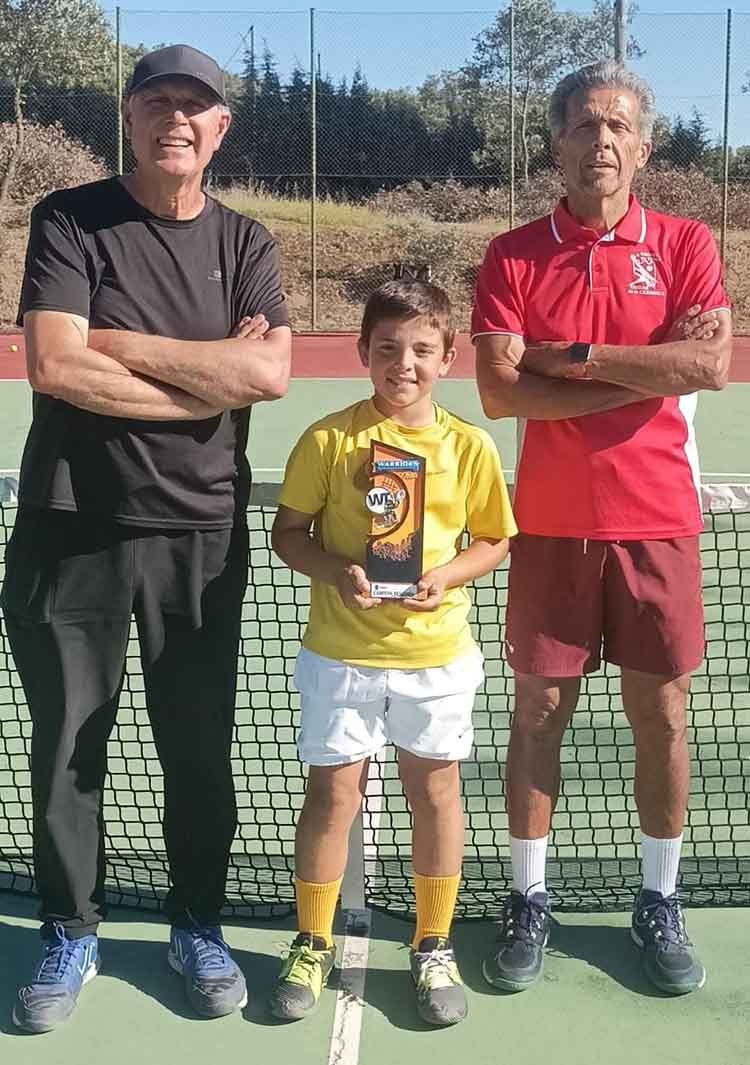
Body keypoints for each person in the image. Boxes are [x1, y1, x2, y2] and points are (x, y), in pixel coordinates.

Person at [1, 44, 291, 1033]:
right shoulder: (70, 219)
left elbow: (267, 379)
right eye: (157, 102)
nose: (176, 118)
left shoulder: (247, 242)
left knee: (200, 748)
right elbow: (56, 366)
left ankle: (196, 923)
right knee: (68, 747)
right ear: (127, 118)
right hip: (70, 529)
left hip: (201, 537)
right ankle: (71, 928)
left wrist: (122, 345)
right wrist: (203, 377)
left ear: (221, 129)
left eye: (195, 106)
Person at [472, 59, 732, 997]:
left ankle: (657, 898)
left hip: (660, 522)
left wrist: (575, 361)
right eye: (584, 125)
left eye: (619, 125)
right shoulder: (511, 256)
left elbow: (707, 364)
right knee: (539, 713)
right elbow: (503, 392)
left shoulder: (689, 242)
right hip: (550, 527)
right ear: (556, 142)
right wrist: (648, 369)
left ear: (646, 145)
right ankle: (528, 895)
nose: (602, 140)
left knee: (660, 715)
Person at [268, 280, 516, 1026]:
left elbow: (496, 541)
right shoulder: (326, 438)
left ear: (448, 355)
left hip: (435, 656)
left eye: (420, 350)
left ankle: (431, 942)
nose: (402, 364)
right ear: (362, 353)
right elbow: (289, 534)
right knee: (332, 796)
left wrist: (444, 576)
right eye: (386, 349)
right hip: (341, 652)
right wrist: (337, 570)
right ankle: (312, 939)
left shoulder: (469, 445)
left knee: (435, 793)